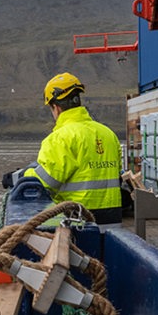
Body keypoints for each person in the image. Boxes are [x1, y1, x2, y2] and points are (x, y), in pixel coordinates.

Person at [23, 71, 124, 225]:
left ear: (55, 107)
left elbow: (42, 183)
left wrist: (23, 175)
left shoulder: (60, 138)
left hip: (77, 223)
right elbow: (116, 174)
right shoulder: (108, 134)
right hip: (112, 223)